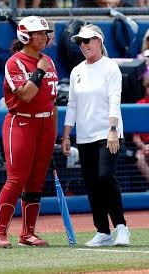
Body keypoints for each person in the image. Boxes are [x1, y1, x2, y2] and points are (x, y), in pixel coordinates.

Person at [61, 23, 130, 247]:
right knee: (91, 183)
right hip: (85, 137)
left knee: (105, 177)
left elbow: (114, 100)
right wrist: (66, 135)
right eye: (80, 42)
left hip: (108, 134)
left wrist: (112, 130)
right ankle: (103, 231)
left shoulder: (110, 67)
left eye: (87, 40)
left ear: (99, 41)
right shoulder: (77, 71)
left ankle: (121, 227)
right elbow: (72, 104)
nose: (83, 45)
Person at [0, 16, 58, 248]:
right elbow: (26, 95)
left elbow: (53, 101)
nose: (43, 37)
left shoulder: (48, 60)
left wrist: (55, 131)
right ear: (25, 36)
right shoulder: (15, 62)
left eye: (44, 33)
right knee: (16, 179)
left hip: (46, 125)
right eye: (38, 33)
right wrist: (39, 71)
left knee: (37, 181)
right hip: (21, 123)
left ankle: (28, 233)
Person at [133, 76, 149, 182]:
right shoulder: (139, 105)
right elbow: (136, 138)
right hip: (144, 146)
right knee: (139, 158)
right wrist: (144, 147)